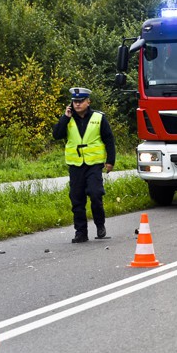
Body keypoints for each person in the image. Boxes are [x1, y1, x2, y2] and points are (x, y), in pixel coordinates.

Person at [52, 88, 115, 243]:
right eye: (75, 102)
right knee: (77, 199)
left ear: (88, 102)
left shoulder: (98, 118)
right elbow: (56, 135)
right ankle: (81, 232)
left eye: (81, 101)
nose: (77, 104)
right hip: (76, 165)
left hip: (94, 164)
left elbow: (109, 139)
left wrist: (110, 161)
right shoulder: (68, 119)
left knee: (95, 194)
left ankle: (100, 225)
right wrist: (65, 118)